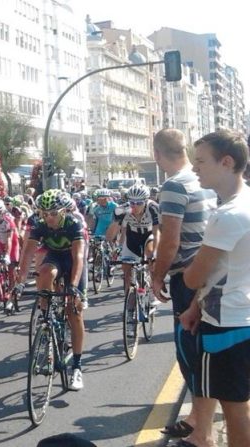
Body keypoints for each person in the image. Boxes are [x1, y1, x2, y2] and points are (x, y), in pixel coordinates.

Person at [180, 130, 250, 447]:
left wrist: (190, 279)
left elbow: (194, 278)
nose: (195, 169)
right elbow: (225, 269)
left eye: (201, 161)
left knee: (235, 408)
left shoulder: (228, 215)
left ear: (226, 162)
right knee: (239, 403)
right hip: (239, 314)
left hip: (226, 323)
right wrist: (197, 305)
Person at [150, 129, 218, 443]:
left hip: (187, 279)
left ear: (158, 155)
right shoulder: (200, 179)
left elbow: (170, 241)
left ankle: (199, 431)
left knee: (190, 354)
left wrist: (156, 275)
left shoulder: (174, 185)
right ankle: (196, 419)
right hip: (210, 273)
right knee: (205, 353)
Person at [15, 189, 87, 391]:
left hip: (73, 259)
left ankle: (78, 366)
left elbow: (78, 257)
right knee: (45, 272)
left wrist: (73, 287)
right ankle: (48, 317)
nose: (49, 218)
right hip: (55, 256)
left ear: (64, 212)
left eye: (53, 214)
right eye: (44, 213)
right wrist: (20, 281)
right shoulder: (39, 224)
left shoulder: (74, 223)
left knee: (75, 311)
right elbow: (28, 253)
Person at [106, 185, 160, 301]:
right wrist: (117, 220)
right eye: (132, 202)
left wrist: (155, 254)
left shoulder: (153, 208)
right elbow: (110, 236)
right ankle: (129, 306)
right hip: (133, 237)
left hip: (149, 235)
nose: (134, 206)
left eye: (139, 203)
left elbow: (157, 232)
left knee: (151, 255)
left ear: (145, 201)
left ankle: (153, 292)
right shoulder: (123, 210)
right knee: (126, 270)